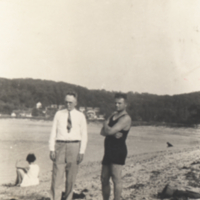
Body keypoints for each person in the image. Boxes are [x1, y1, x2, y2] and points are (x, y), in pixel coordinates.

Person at [49, 91, 88, 200]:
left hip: (74, 146)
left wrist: (81, 151)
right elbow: (53, 132)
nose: (68, 105)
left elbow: (84, 135)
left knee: (71, 178)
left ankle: (68, 198)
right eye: (66, 102)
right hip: (60, 146)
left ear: (76, 102)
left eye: (70, 102)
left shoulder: (80, 116)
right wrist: (52, 149)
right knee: (57, 177)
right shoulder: (59, 114)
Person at [100, 93, 132, 200]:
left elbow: (107, 131)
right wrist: (111, 132)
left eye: (120, 103)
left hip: (118, 150)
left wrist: (106, 124)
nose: (117, 105)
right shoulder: (112, 116)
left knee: (116, 179)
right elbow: (102, 132)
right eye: (115, 103)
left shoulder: (126, 118)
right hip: (108, 151)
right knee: (104, 179)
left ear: (125, 104)